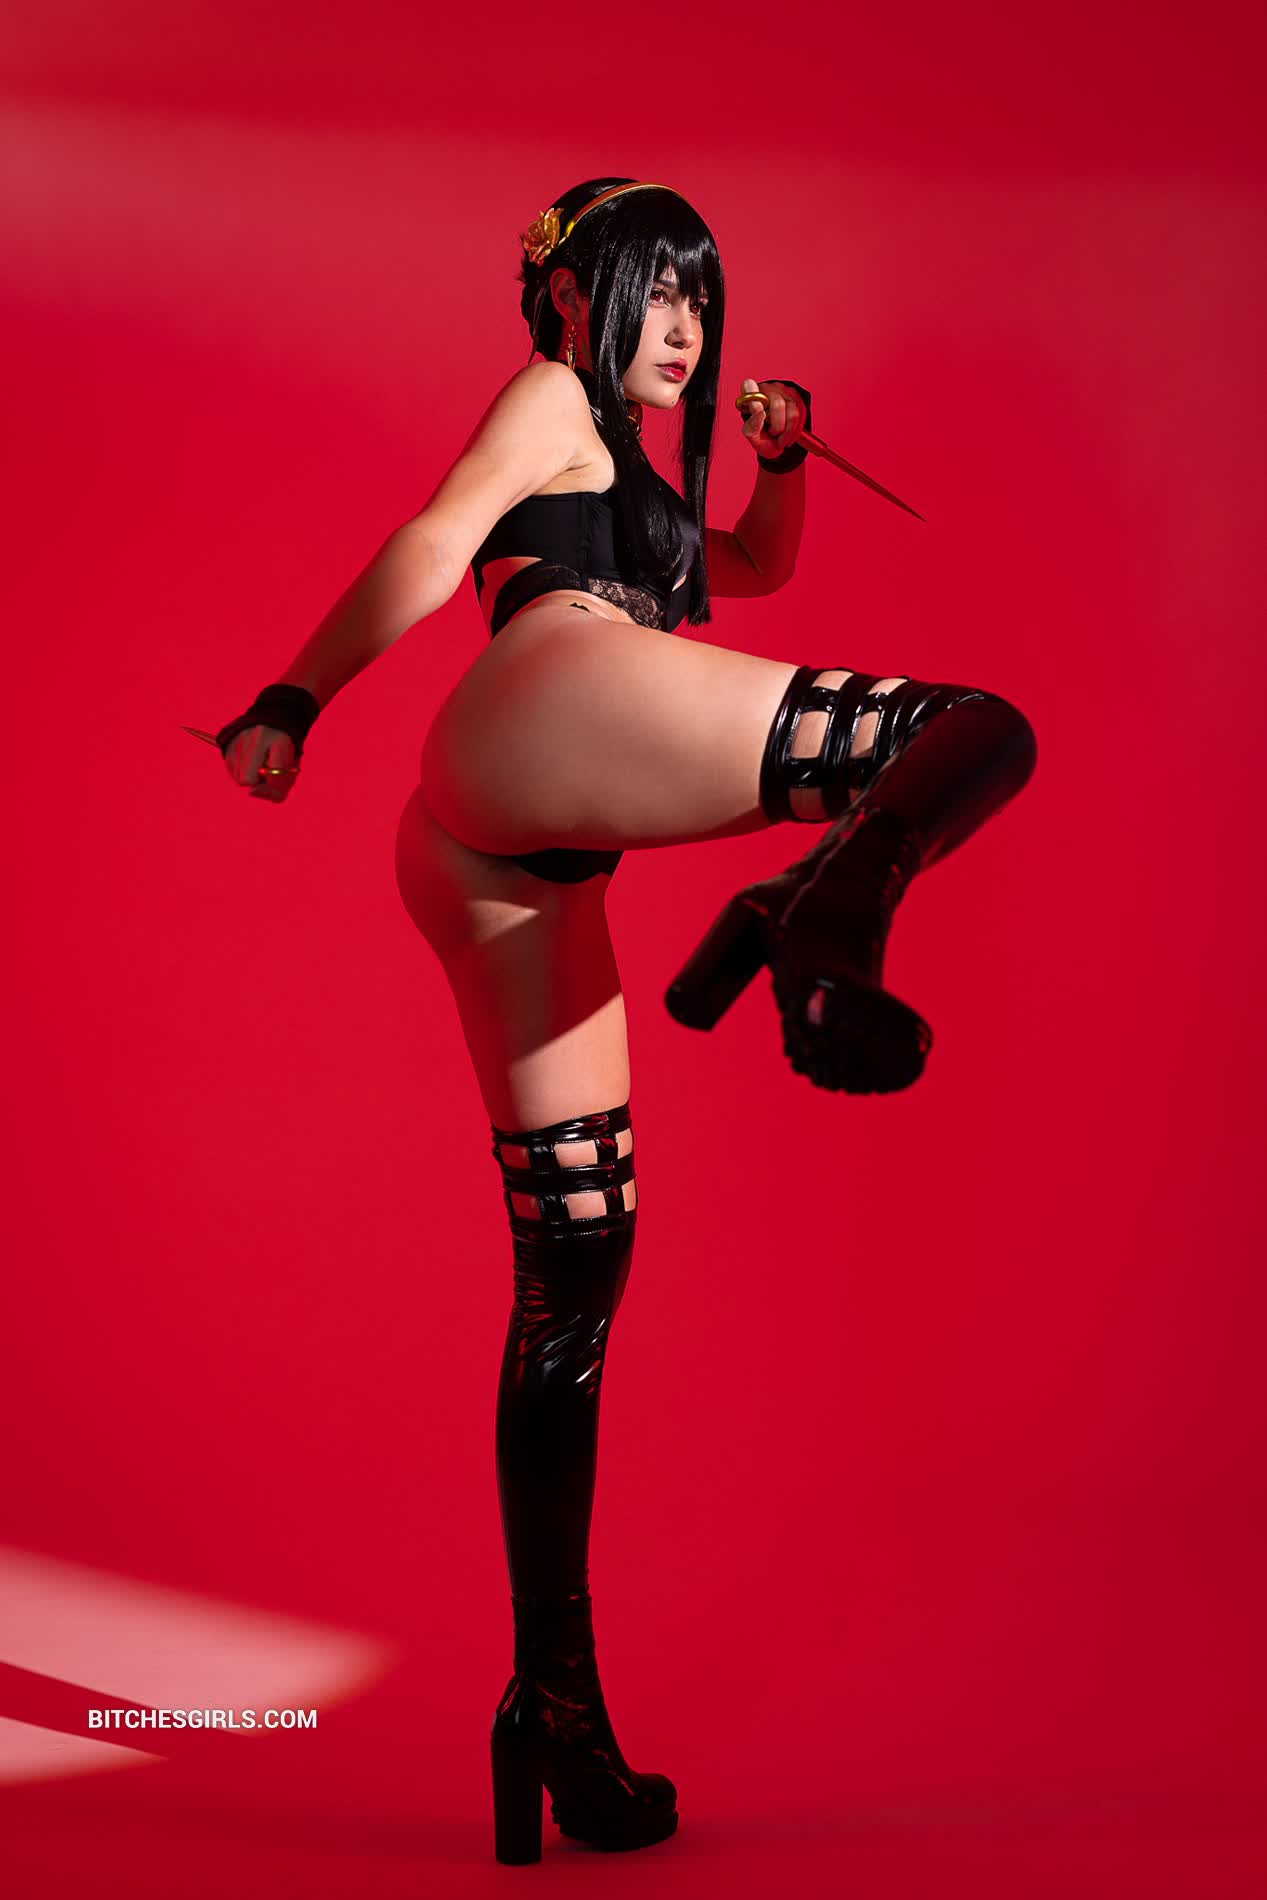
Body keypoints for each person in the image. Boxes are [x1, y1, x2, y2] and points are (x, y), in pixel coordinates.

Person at [212, 176, 1038, 1862]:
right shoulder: (546, 401)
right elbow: (437, 538)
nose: (685, 326)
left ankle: (554, 1707)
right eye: (656, 290)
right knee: (967, 729)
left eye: (702, 300)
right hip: (531, 708)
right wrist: (295, 693)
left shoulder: (641, 484)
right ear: (572, 300)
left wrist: (783, 462)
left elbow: (750, 569)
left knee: (575, 1270)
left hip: (497, 857)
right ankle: (816, 909)